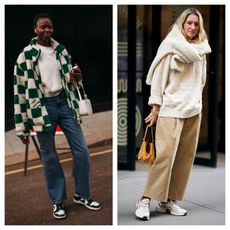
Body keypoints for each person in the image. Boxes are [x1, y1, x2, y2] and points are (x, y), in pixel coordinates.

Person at [13, 13, 101, 219]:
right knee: (50, 157)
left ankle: (82, 194)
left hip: (64, 103)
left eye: (50, 27)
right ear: (35, 29)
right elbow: (19, 93)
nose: (47, 30)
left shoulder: (60, 50)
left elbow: (68, 79)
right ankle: (58, 201)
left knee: (82, 152)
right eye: (43, 27)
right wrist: (21, 125)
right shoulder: (25, 56)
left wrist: (75, 77)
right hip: (41, 108)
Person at [135, 8, 211, 220]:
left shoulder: (201, 50)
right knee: (165, 156)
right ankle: (144, 199)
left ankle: (167, 201)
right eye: (189, 23)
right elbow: (159, 79)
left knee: (184, 158)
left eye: (196, 24)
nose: (192, 27)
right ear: (182, 24)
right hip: (170, 109)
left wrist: (197, 102)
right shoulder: (169, 46)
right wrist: (156, 108)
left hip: (193, 110)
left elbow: (201, 81)